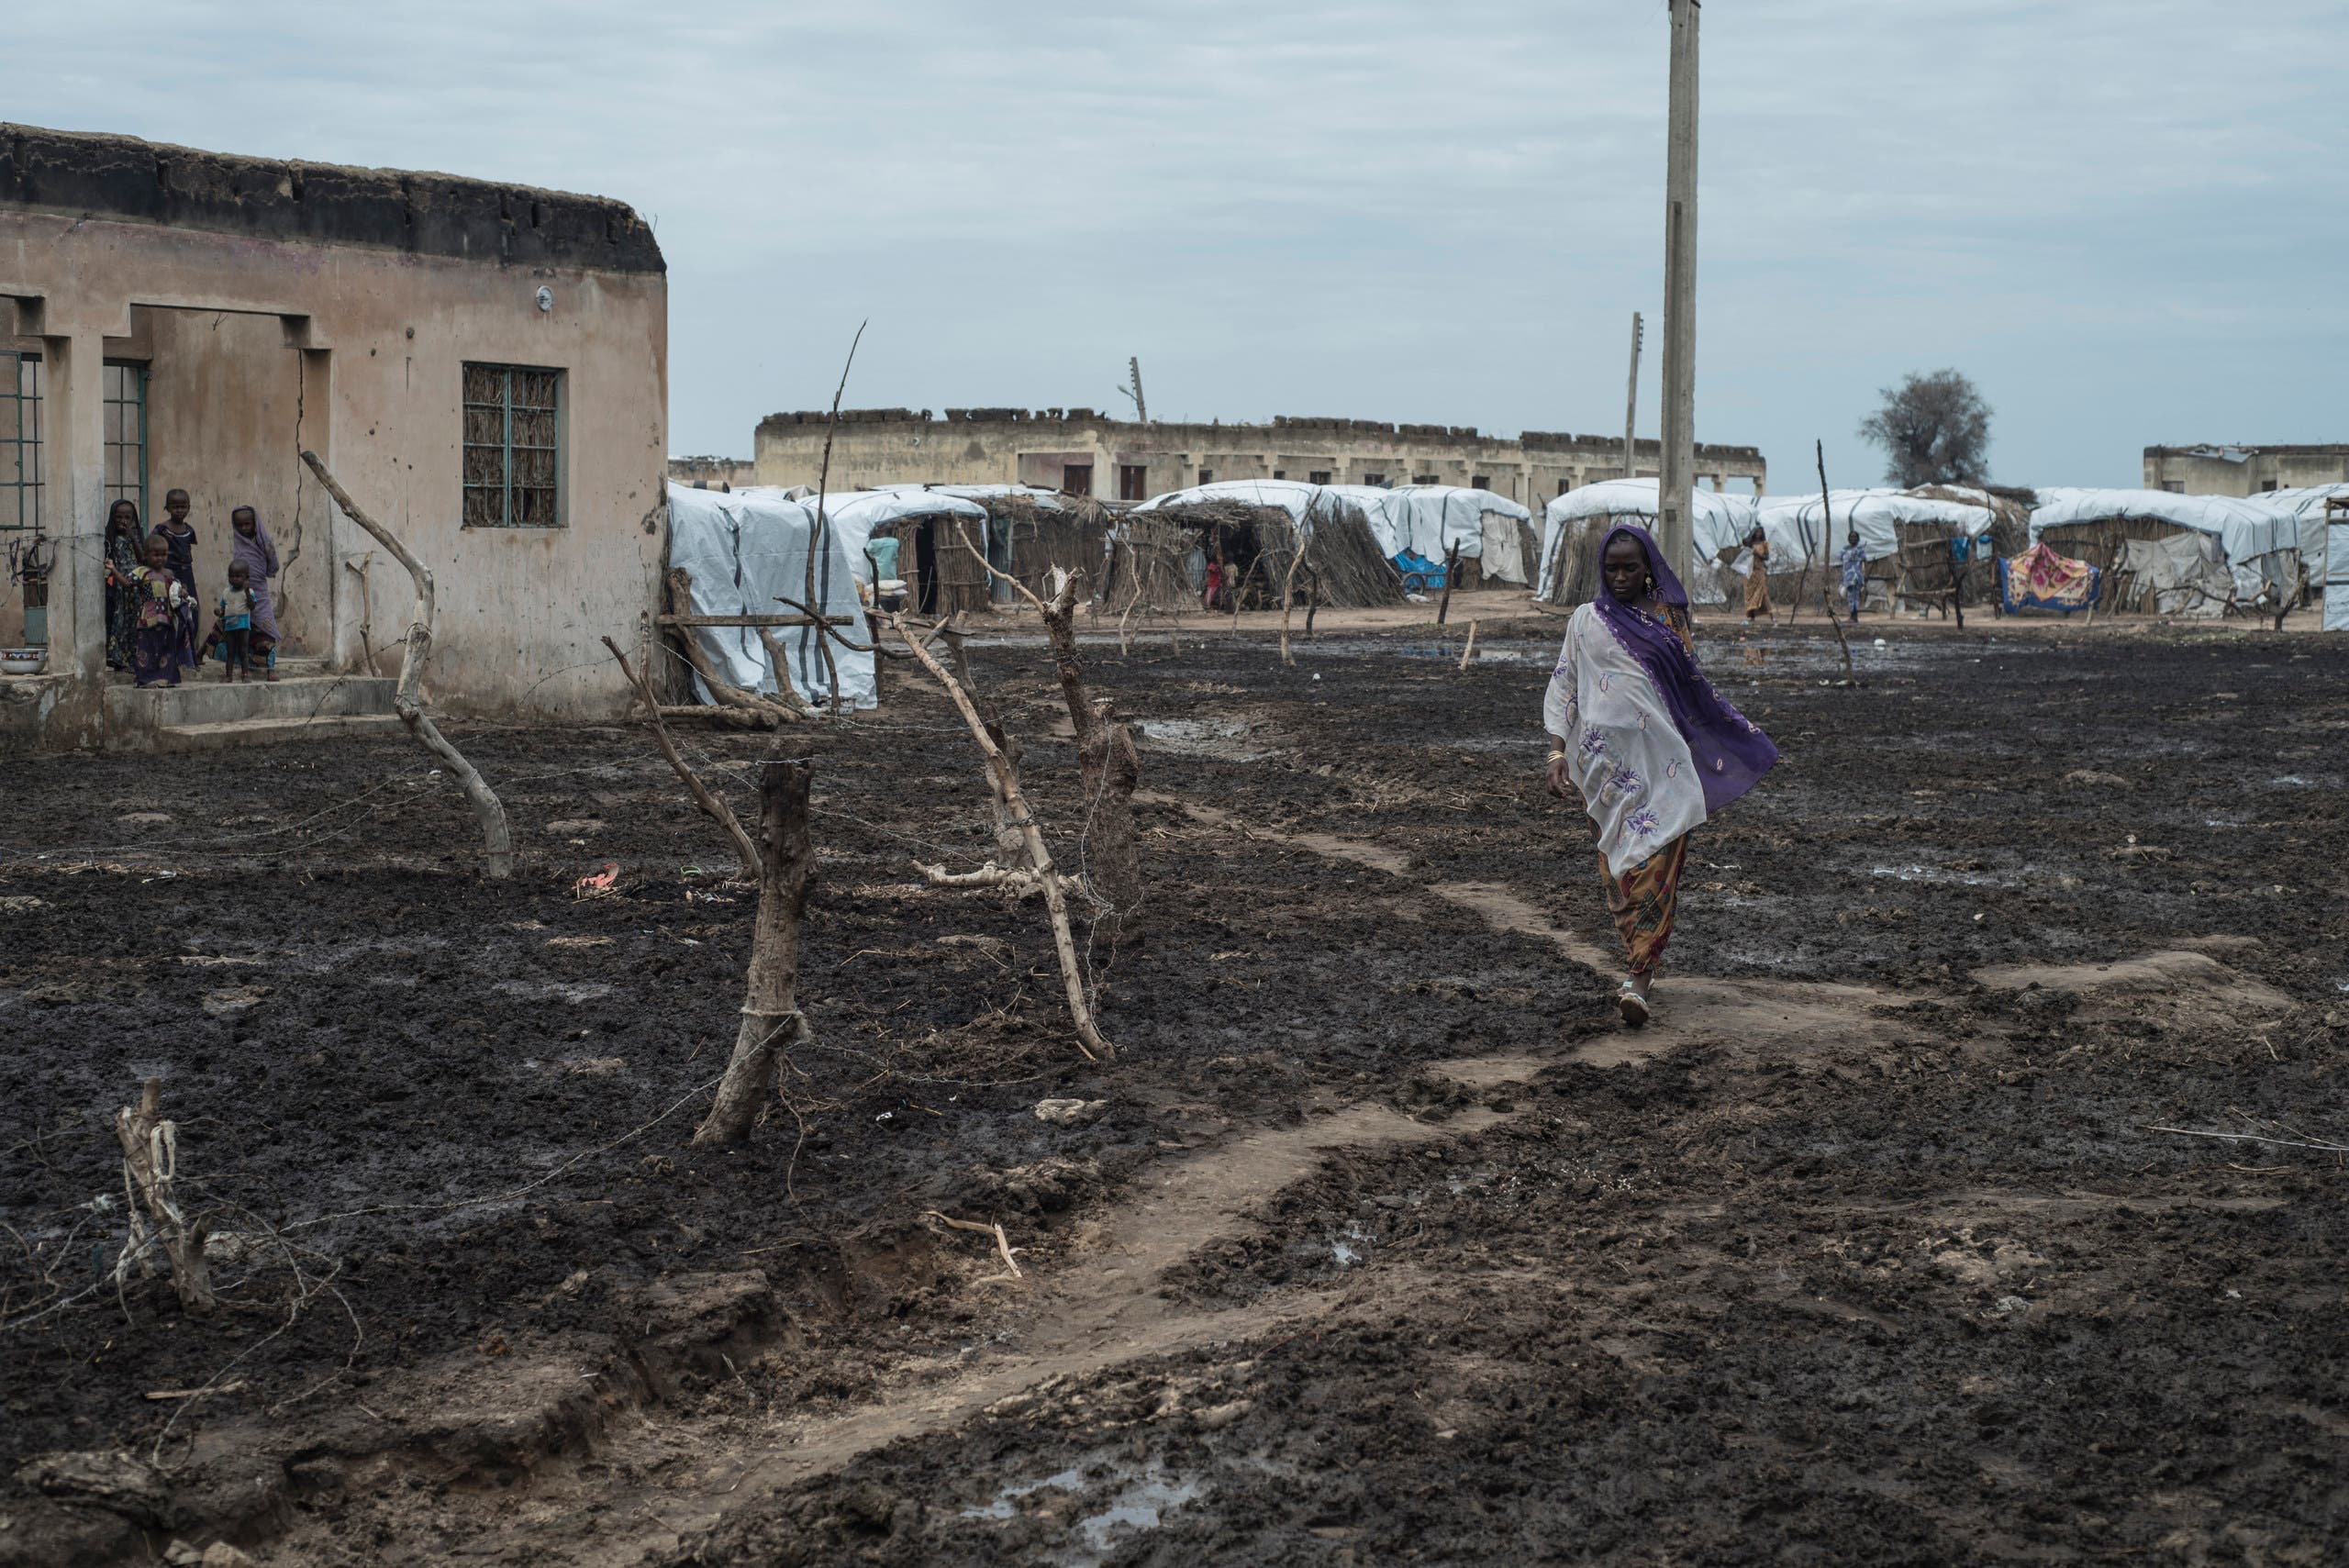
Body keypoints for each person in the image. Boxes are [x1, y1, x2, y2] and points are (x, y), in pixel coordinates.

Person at [1543, 524, 1779, 1026]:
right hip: (1604, 773)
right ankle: (1639, 959)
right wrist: (1556, 752)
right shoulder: (1585, 621)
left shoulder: (1667, 620)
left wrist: (1725, 737)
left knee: (1659, 867)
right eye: (1613, 568)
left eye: (1632, 566)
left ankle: (1639, 976)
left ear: (1648, 567)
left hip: (1665, 769)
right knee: (1620, 870)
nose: (1622, 576)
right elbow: (1565, 682)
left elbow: (1689, 685)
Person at [128, 534, 197, 687]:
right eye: (156, 555)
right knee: (147, 649)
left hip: (167, 618)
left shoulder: (169, 574)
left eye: (164, 554)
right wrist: (113, 570)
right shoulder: (142, 572)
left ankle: (165, 678)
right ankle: (145, 679)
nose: (161, 558)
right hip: (148, 618)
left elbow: (176, 590)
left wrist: (183, 592)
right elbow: (127, 583)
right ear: (146, 555)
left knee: (166, 649)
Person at [228, 506, 282, 681]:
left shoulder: (263, 541)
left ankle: (270, 668)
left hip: (260, 589)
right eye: (240, 525)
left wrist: (268, 571)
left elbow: (272, 560)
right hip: (240, 592)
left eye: (247, 524)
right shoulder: (239, 543)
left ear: (254, 523)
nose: (244, 528)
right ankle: (244, 667)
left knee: (267, 628)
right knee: (240, 630)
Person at [102, 498, 145, 671]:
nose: (123, 521)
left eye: (127, 518)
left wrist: (133, 535)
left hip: (136, 586)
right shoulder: (109, 537)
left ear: (133, 519)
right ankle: (118, 658)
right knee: (119, 622)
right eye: (119, 517)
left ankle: (136, 660)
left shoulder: (137, 537)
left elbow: (143, 558)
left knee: (136, 622)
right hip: (118, 585)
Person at [152, 490, 199, 640]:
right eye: (175, 506)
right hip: (169, 575)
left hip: (187, 575)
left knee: (192, 608)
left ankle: (190, 651)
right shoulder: (161, 530)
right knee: (169, 610)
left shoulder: (189, 530)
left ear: (189, 508)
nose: (179, 510)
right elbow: (150, 547)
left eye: (183, 506)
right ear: (167, 508)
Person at [206, 562, 260, 681]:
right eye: (231, 576)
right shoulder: (226, 592)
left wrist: (246, 591)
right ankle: (228, 676)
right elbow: (224, 608)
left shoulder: (249, 592)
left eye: (238, 576)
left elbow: (252, 607)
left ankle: (245, 675)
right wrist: (219, 611)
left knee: (243, 651)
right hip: (230, 626)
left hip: (243, 626)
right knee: (230, 651)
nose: (234, 579)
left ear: (246, 578)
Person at [1742, 524, 1773, 623]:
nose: (1758, 534)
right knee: (1750, 594)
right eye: (1757, 531)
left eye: (1760, 532)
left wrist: (1758, 553)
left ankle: (1772, 616)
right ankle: (1752, 616)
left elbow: (1766, 557)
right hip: (1749, 571)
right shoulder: (1749, 543)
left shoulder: (1764, 544)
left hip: (1759, 571)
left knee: (1763, 592)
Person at [1840, 529, 1868, 622]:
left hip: (1855, 576)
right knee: (1850, 597)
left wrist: (1864, 574)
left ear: (1858, 539)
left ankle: (1854, 617)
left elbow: (1864, 561)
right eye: (1851, 537)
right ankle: (1853, 616)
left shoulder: (1859, 549)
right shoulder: (1845, 549)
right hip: (1847, 577)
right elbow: (1840, 557)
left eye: (1855, 537)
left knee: (1854, 596)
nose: (1853, 539)